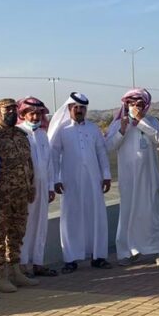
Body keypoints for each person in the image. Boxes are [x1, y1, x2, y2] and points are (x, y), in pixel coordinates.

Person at [49, 92, 112, 272]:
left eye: (82, 108)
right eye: (75, 107)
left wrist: (106, 175)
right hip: (70, 181)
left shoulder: (93, 128)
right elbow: (54, 156)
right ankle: (70, 259)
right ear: (69, 108)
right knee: (71, 218)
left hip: (94, 180)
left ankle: (98, 257)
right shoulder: (62, 130)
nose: (79, 110)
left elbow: (101, 152)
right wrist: (56, 179)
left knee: (96, 216)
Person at [106, 88, 159, 266]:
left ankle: (155, 250)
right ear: (126, 105)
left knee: (150, 213)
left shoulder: (152, 121)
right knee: (128, 214)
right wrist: (122, 130)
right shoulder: (118, 124)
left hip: (148, 178)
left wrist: (140, 121)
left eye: (139, 104)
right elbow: (108, 146)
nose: (135, 107)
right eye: (132, 104)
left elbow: (158, 138)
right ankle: (128, 252)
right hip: (128, 179)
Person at [0, 98, 38, 292]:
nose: (11, 113)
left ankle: (16, 271)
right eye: (7, 109)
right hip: (0, 195)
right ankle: (1, 276)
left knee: (17, 234)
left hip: (21, 194)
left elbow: (28, 163)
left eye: (14, 109)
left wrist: (31, 185)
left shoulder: (21, 135)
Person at [17, 96, 56, 277]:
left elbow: (49, 163)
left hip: (43, 187)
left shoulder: (42, 134)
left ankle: (38, 262)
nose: (35, 117)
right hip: (26, 189)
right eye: (31, 113)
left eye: (38, 114)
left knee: (41, 224)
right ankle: (23, 264)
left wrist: (50, 186)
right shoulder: (18, 134)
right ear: (23, 114)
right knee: (26, 225)